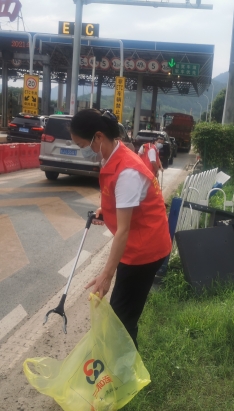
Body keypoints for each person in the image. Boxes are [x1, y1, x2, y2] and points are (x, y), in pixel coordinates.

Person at [69, 109, 172, 349]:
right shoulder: (112, 157)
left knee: (121, 322)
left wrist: (106, 275)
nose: (82, 150)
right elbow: (122, 202)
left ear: (98, 137)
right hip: (135, 246)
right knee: (122, 317)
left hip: (144, 251)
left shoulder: (127, 171)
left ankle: (125, 369)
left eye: (82, 145)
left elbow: (123, 230)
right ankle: (123, 365)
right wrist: (105, 211)